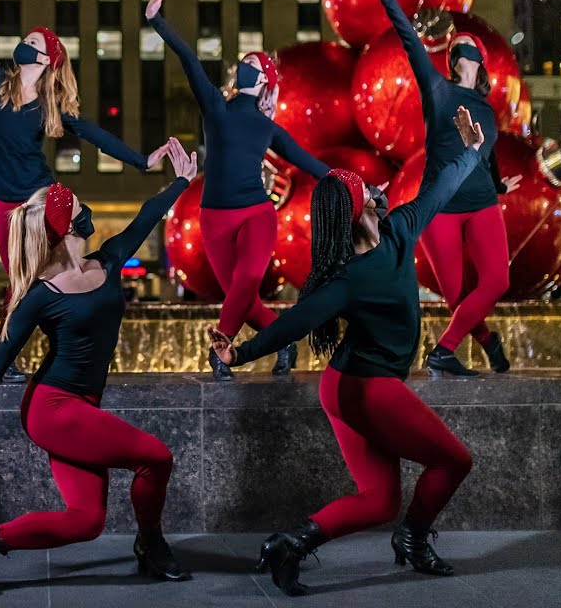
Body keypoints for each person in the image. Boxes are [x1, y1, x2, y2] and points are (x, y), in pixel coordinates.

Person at [0, 140, 200, 597]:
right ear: (68, 223)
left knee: (86, 522)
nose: (87, 208)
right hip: (53, 408)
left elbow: (147, 214)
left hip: (81, 405)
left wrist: (180, 182)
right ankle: (151, 544)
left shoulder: (109, 260)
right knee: (156, 457)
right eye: (79, 205)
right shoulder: (40, 295)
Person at [207, 104, 487, 596]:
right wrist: (240, 354)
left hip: (345, 384)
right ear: (363, 205)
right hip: (365, 387)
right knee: (454, 461)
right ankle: (414, 540)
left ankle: (289, 545)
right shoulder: (348, 277)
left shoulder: (401, 228)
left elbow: (442, 186)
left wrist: (472, 150)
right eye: (366, 186)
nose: (376, 187)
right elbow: (290, 325)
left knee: (378, 500)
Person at [0, 0, 172, 382]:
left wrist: (142, 159)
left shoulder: (50, 106)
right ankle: (9, 359)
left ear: (45, 58)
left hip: (39, 197)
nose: (23, 43)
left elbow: (95, 133)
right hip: (2, 199)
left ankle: (83, 334)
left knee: (65, 265)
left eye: (31, 41)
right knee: (19, 280)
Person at [145, 0, 332, 381]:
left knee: (246, 281)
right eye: (246, 61)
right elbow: (189, 59)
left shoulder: (267, 127)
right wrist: (157, 20)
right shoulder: (215, 105)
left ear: (264, 81)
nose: (248, 64)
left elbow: (307, 162)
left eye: (256, 64)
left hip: (257, 214)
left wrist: (359, 187)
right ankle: (284, 342)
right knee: (240, 297)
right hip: (213, 217)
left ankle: (222, 349)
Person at [376, 0, 522, 376]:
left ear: (478, 61)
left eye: (465, 49)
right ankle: (490, 344)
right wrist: (389, 0)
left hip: (481, 202)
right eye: (454, 50)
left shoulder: (488, 110)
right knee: (457, 296)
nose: (458, 52)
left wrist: (498, 184)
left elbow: (486, 151)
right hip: (439, 206)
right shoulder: (437, 90)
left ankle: (443, 350)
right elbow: (411, 44)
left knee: (496, 281)